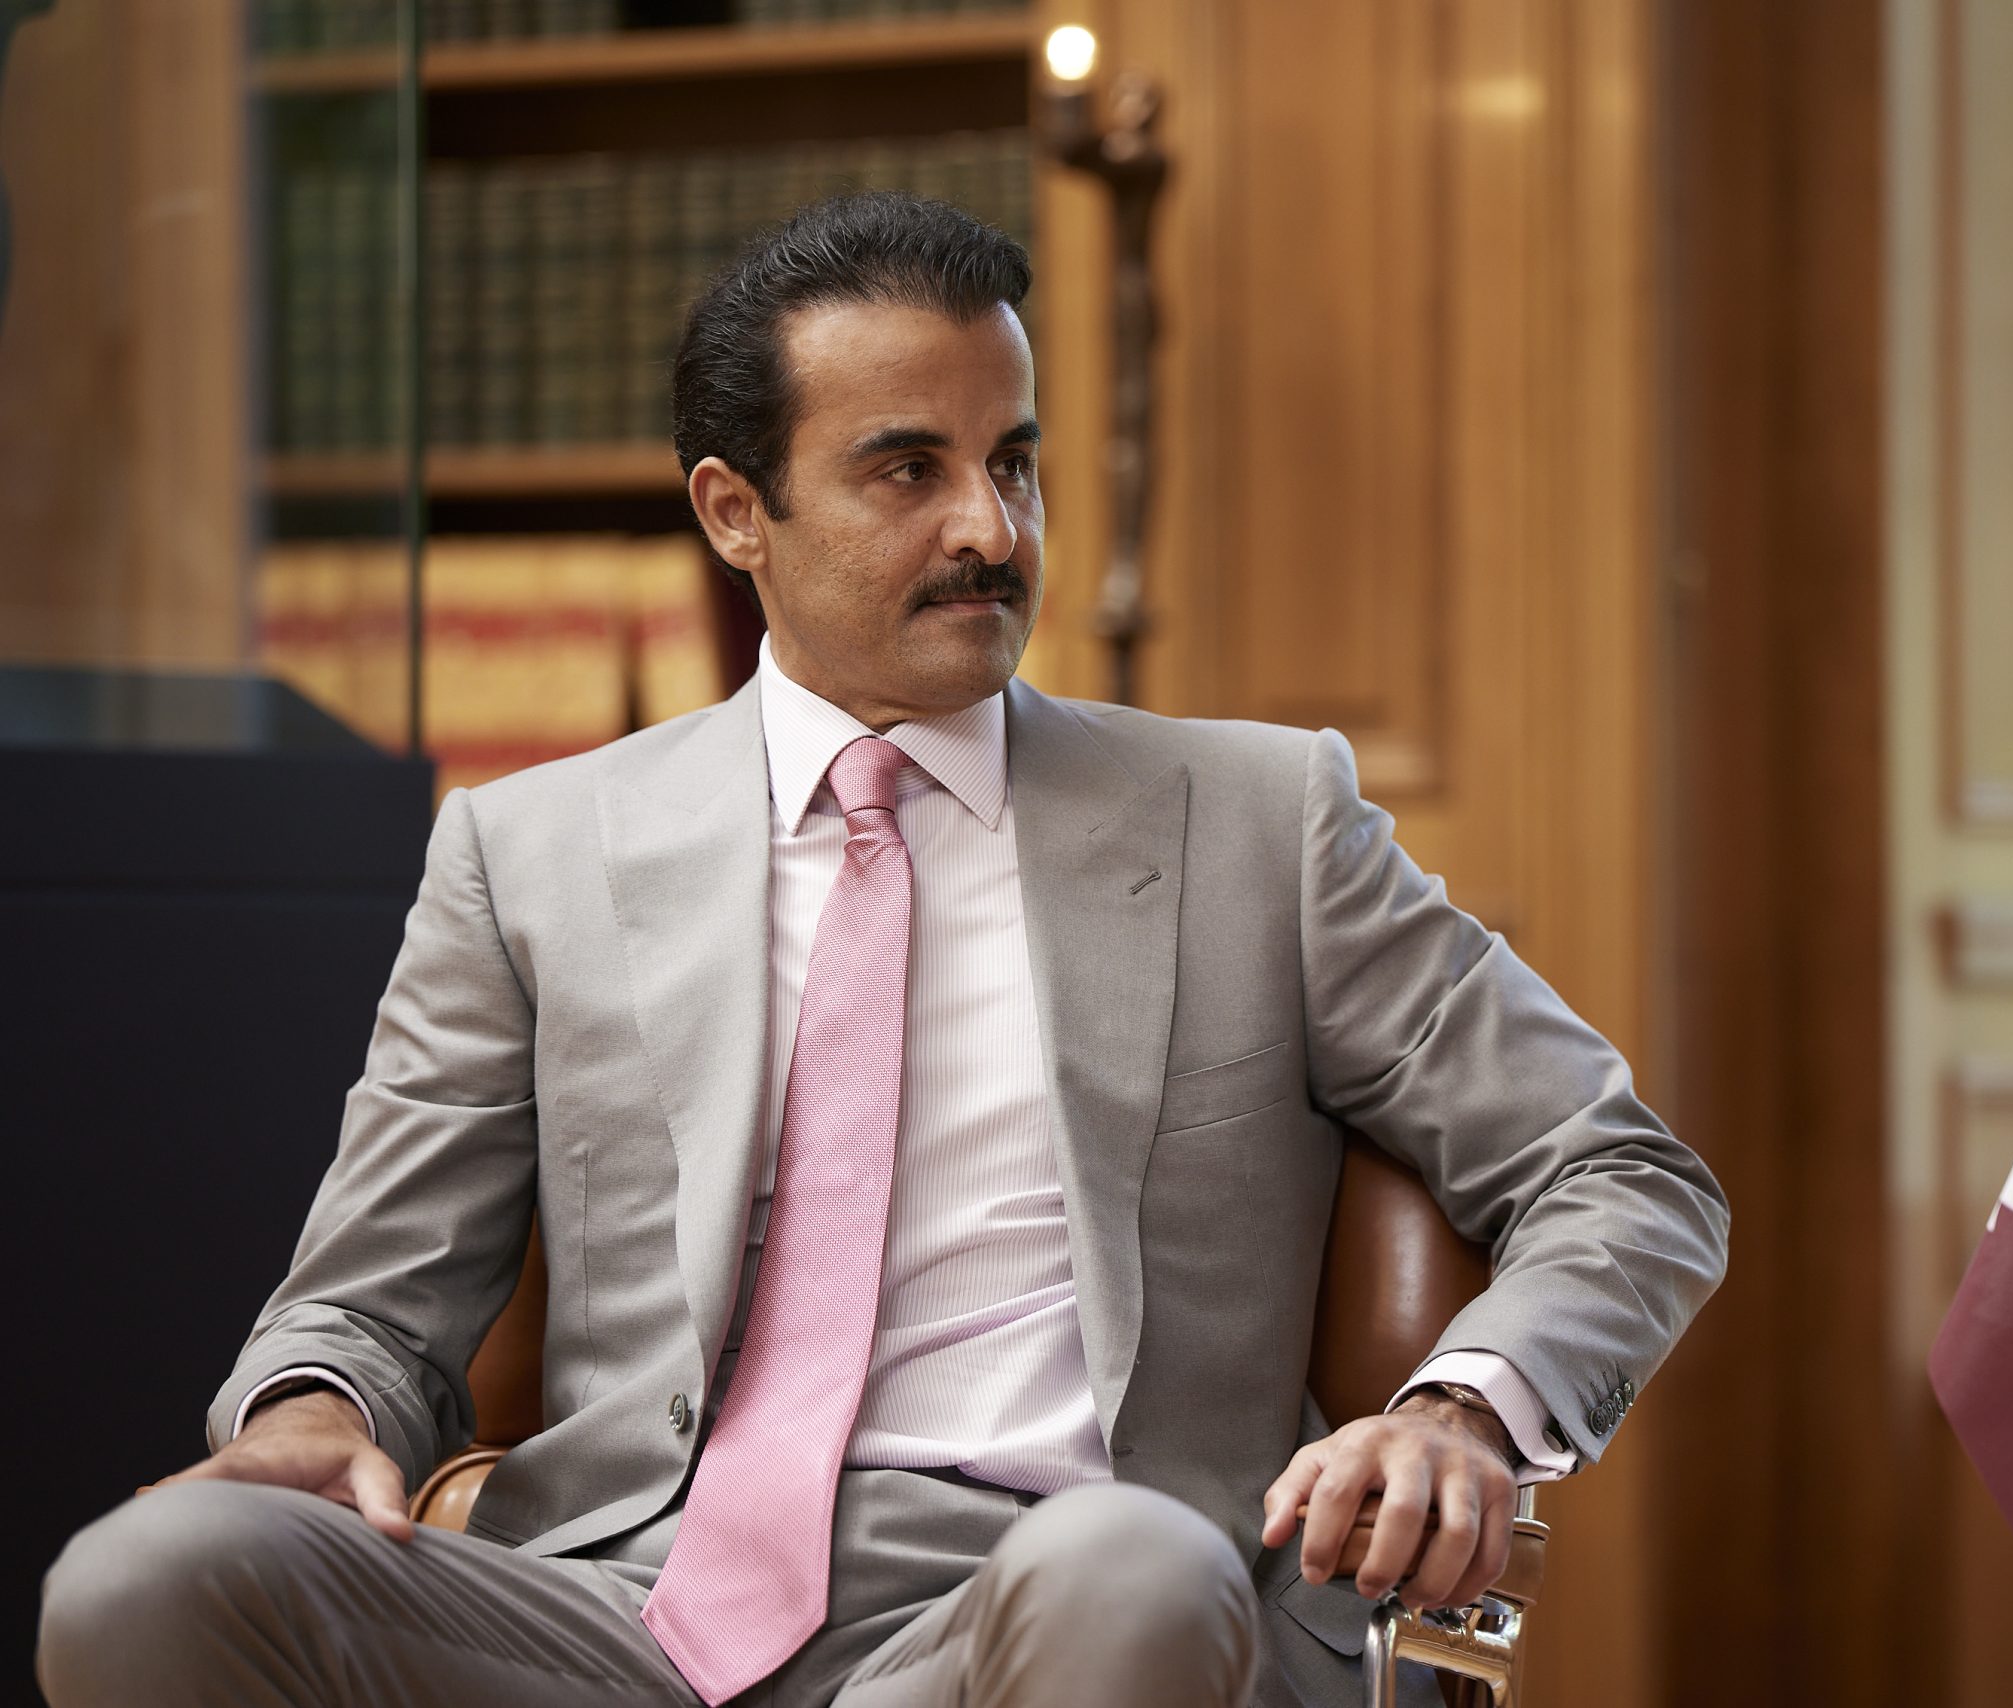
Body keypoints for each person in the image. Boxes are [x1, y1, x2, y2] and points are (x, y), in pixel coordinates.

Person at [36, 193, 1727, 1708]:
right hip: (625, 1617)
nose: (992, 528)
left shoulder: (1258, 825)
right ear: (736, 512)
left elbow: (1622, 1172)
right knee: (144, 1580)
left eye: (1016, 462)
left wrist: (1463, 1410)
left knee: (1125, 1566)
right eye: (910, 469)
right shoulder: (531, 853)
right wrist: (315, 1415)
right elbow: (370, 1300)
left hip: (1056, 1597)